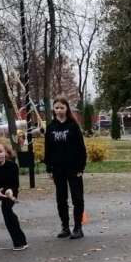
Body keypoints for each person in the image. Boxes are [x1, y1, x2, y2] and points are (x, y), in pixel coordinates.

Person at [43, 96, 87, 239]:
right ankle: (65, 227)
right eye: (57, 107)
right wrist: (49, 168)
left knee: (77, 199)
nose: (59, 110)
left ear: (67, 108)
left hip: (74, 168)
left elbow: (81, 148)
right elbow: (47, 149)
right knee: (61, 199)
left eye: (62, 107)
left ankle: (78, 228)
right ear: (53, 110)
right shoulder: (50, 128)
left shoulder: (73, 126)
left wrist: (81, 167)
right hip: (58, 169)